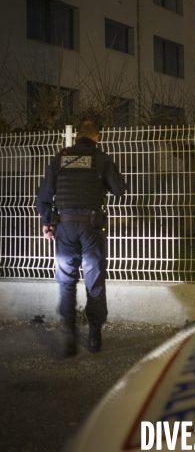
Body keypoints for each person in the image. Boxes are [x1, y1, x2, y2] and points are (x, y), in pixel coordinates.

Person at [36, 120, 125, 356]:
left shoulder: (59, 158)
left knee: (66, 281)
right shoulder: (102, 159)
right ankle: (95, 336)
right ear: (97, 137)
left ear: (76, 137)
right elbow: (119, 190)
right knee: (94, 280)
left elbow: (43, 197)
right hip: (92, 228)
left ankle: (70, 337)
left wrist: (47, 223)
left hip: (64, 227)